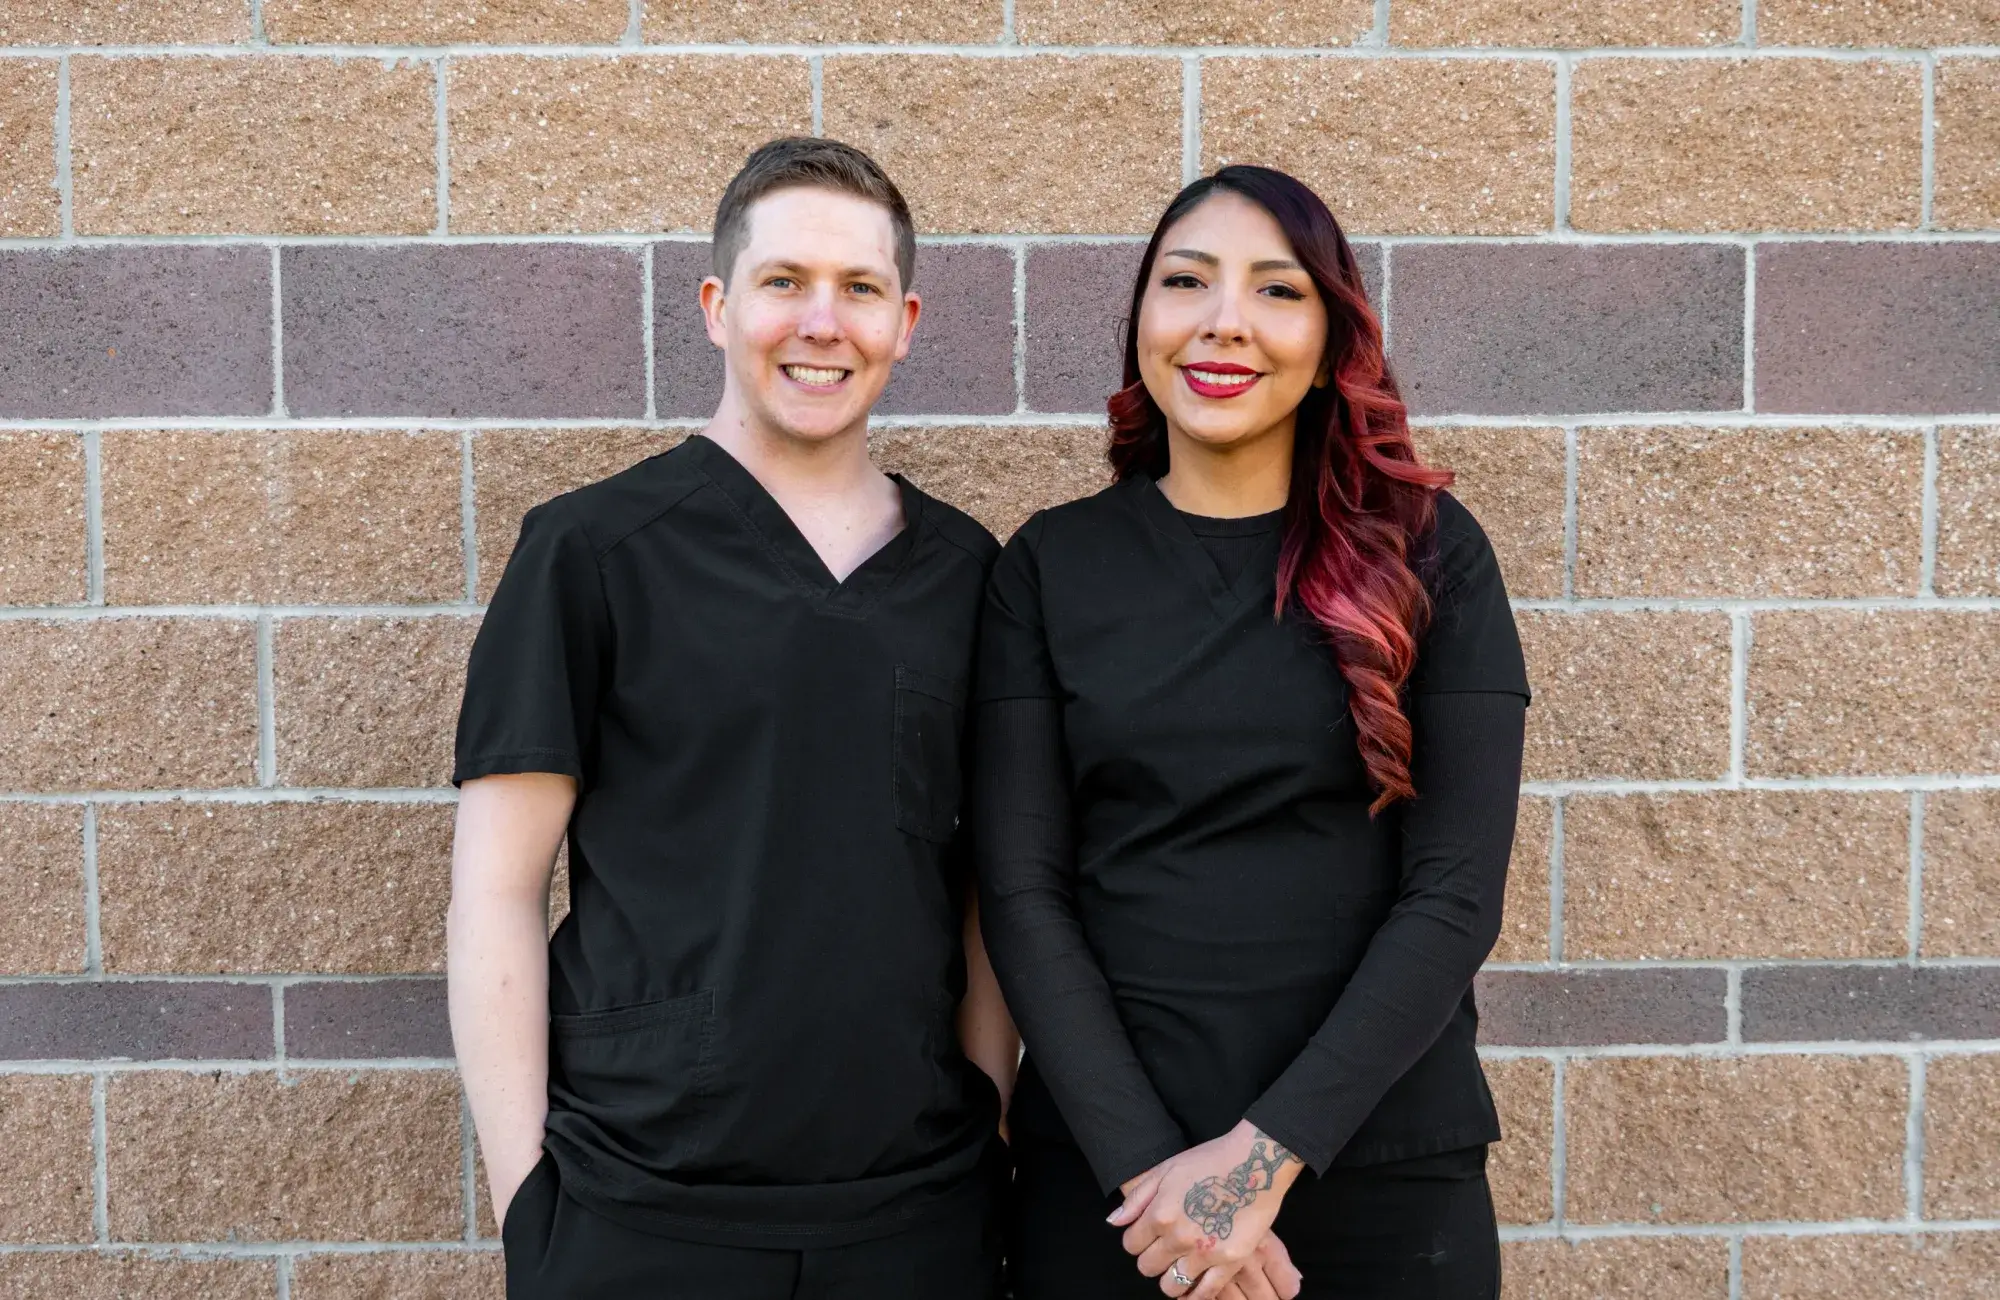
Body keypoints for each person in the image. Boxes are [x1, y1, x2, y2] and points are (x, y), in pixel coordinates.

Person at [447, 137, 1017, 1300]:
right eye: (783, 282)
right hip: (643, 1209)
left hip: (911, 1215)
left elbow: (986, 896)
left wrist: (987, 1130)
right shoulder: (590, 553)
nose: (822, 321)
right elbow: (497, 888)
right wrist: (529, 1208)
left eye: (858, 289)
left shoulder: (968, 577)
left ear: (904, 322)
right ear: (716, 306)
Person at [973, 164, 1528, 1300]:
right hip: (1115, 1191)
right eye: (1185, 282)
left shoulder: (1429, 553)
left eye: (1276, 291)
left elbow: (1455, 893)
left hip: (1378, 1175)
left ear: (1331, 339)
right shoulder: (1047, 566)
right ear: (1139, 319)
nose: (1222, 320)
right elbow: (1023, 893)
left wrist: (1257, 1162)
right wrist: (1170, 1195)